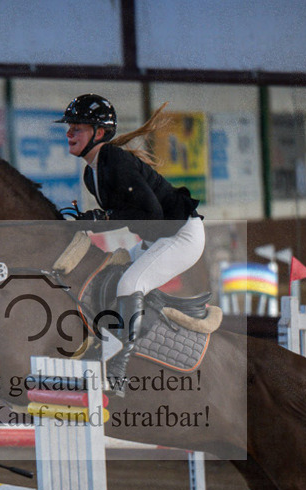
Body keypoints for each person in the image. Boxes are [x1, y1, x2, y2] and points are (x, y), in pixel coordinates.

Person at [57, 93, 205, 390]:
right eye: (69, 126)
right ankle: (108, 340)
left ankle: (119, 366)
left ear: (99, 133)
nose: (69, 132)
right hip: (157, 239)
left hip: (182, 235)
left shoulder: (114, 159)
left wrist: (105, 218)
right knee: (112, 276)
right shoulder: (92, 173)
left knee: (129, 284)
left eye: (78, 127)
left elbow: (152, 212)